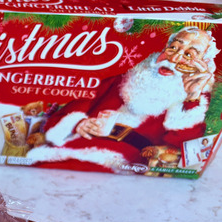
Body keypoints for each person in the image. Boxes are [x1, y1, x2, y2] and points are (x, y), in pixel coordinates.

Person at [27, 26, 219, 172]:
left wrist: (192, 96)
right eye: (173, 47)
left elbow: (188, 158)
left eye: (188, 55)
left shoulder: (193, 105)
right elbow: (59, 119)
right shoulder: (120, 81)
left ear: (203, 67)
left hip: (120, 170)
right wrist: (78, 124)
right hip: (60, 155)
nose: (175, 58)